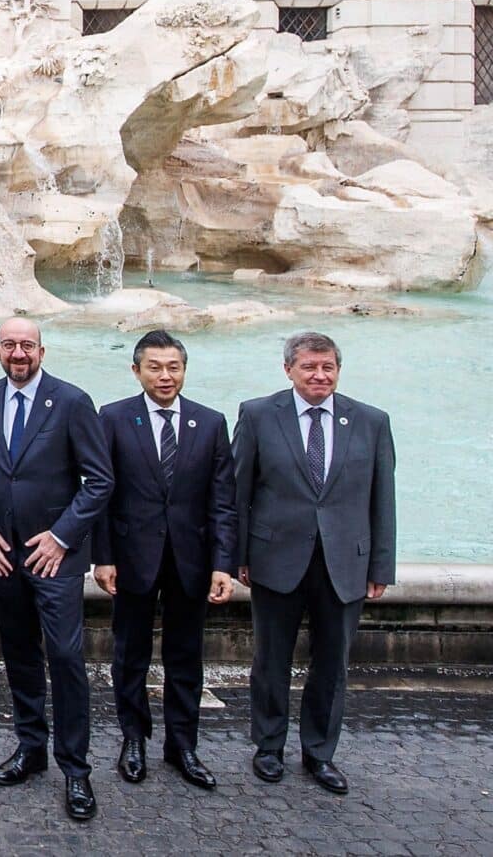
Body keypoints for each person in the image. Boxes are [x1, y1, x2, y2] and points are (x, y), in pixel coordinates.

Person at [233, 331, 396, 795]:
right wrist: (238, 556)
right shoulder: (258, 415)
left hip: (345, 564)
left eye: (328, 367)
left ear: (338, 371)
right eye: (309, 367)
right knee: (270, 661)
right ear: (288, 370)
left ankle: (319, 753)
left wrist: (380, 567)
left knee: (333, 664)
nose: (319, 375)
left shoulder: (370, 421)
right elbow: (239, 492)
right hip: (274, 559)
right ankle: (268, 747)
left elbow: (383, 498)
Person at [0, 316, 112, 822]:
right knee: (19, 653)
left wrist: (62, 536)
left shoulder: (71, 402)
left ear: (43, 351)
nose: (19, 353)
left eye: (27, 345)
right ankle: (31, 746)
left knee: (67, 659)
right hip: (5, 554)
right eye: (10, 345)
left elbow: (99, 480)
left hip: (56, 557)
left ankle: (76, 768)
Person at [91, 330, 237, 791]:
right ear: (136, 371)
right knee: (129, 655)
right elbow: (100, 491)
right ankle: (133, 738)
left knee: (186, 656)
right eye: (155, 366)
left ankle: (182, 745)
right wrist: (103, 557)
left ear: (184, 370)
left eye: (173, 366)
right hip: (133, 556)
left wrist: (223, 563)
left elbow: (223, 501)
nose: (165, 375)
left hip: (190, 559)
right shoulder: (113, 418)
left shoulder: (210, 423)